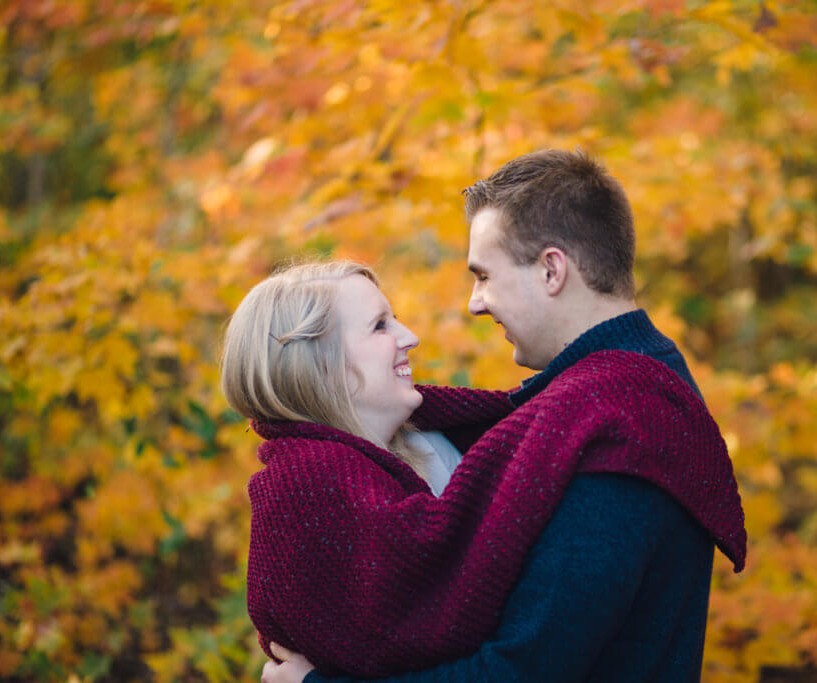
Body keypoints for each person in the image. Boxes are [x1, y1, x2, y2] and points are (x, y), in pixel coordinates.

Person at [259, 150, 746, 683]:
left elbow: (523, 672)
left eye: (484, 275)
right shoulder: (628, 390)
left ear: (551, 270)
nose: (475, 303)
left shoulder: (618, 420)